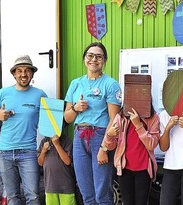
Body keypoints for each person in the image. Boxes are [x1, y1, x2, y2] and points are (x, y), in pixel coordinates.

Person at [63, 42, 121, 205]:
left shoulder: (110, 84)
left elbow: (114, 119)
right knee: (86, 191)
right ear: (84, 59)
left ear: (104, 60)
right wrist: (75, 108)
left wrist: (104, 147)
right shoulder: (75, 84)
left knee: (102, 193)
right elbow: (67, 118)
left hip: (100, 136)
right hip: (79, 136)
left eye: (99, 56)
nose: (94, 59)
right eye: (90, 55)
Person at [0, 55, 47, 205]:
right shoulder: (3, 93)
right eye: (19, 71)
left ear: (32, 74)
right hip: (5, 152)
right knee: (12, 197)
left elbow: (50, 121)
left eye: (27, 70)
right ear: (14, 73)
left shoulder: (40, 95)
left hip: (28, 152)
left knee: (32, 196)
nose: (23, 74)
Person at [103, 106, 159, 205]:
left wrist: (138, 125)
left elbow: (151, 144)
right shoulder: (121, 117)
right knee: (127, 202)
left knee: (141, 202)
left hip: (144, 169)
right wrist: (109, 135)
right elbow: (111, 146)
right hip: (125, 169)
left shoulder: (153, 117)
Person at [37, 123, 76, 205]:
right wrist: (44, 150)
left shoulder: (67, 141)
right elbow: (40, 163)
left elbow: (67, 161)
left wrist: (57, 145)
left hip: (66, 187)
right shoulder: (44, 141)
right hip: (50, 187)